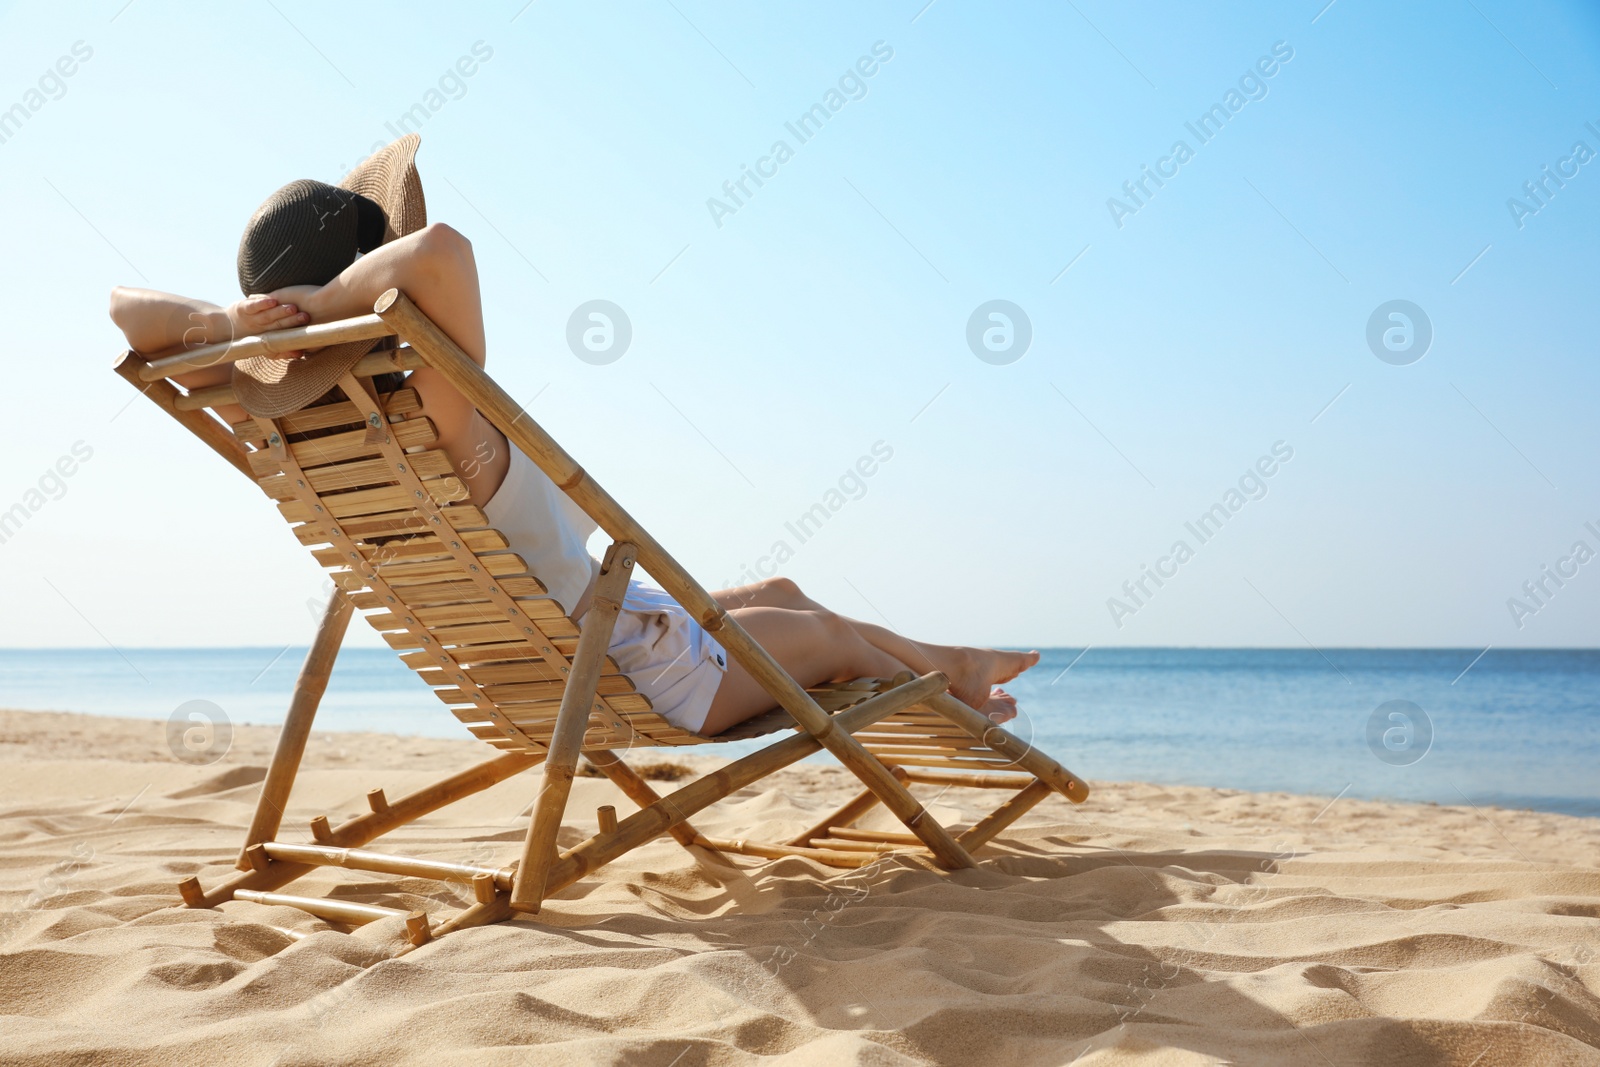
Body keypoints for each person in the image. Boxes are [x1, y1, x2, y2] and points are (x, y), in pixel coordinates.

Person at [109, 136, 1038, 737]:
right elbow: (444, 254)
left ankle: (954, 663)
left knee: (781, 590)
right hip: (632, 672)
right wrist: (333, 304)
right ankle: (956, 694)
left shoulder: (280, 420)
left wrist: (243, 328)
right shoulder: (436, 404)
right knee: (829, 634)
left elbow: (127, 311)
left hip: (564, 646)